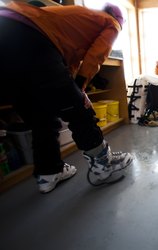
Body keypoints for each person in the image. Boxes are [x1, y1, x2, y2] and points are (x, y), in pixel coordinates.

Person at [0, 1, 133, 193]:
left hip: (6, 35)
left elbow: (65, 66)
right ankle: (103, 162)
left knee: (41, 118)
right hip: (30, 37)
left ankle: (49, 173)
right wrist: (79, 92)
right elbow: (96, 56)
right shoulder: (110, 22)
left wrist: (75, 89)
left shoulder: (77, 18)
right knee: (80, 110)